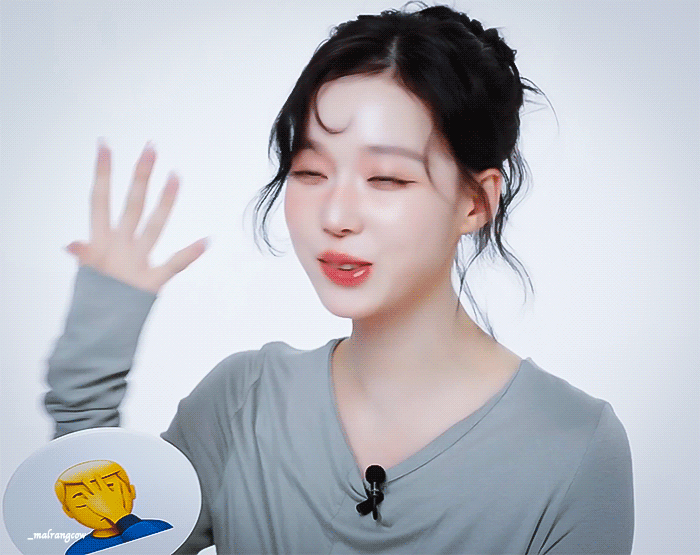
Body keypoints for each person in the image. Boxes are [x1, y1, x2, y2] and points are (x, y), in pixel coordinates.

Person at [44, 4, 634, 554]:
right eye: (310, 172)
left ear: (476, 202)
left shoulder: (574, 445)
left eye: (386, 179)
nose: (335, 216)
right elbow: (106, 542)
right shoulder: (243, 401)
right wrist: (93, 358)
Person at [55, 460, 172, 554]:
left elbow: (155, 547)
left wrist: (118, 514)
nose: (99, 505)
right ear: (67, 511)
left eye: (110, 489)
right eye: (82, 497)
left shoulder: (159, 528)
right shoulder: (78, 551)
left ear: (131, 492)